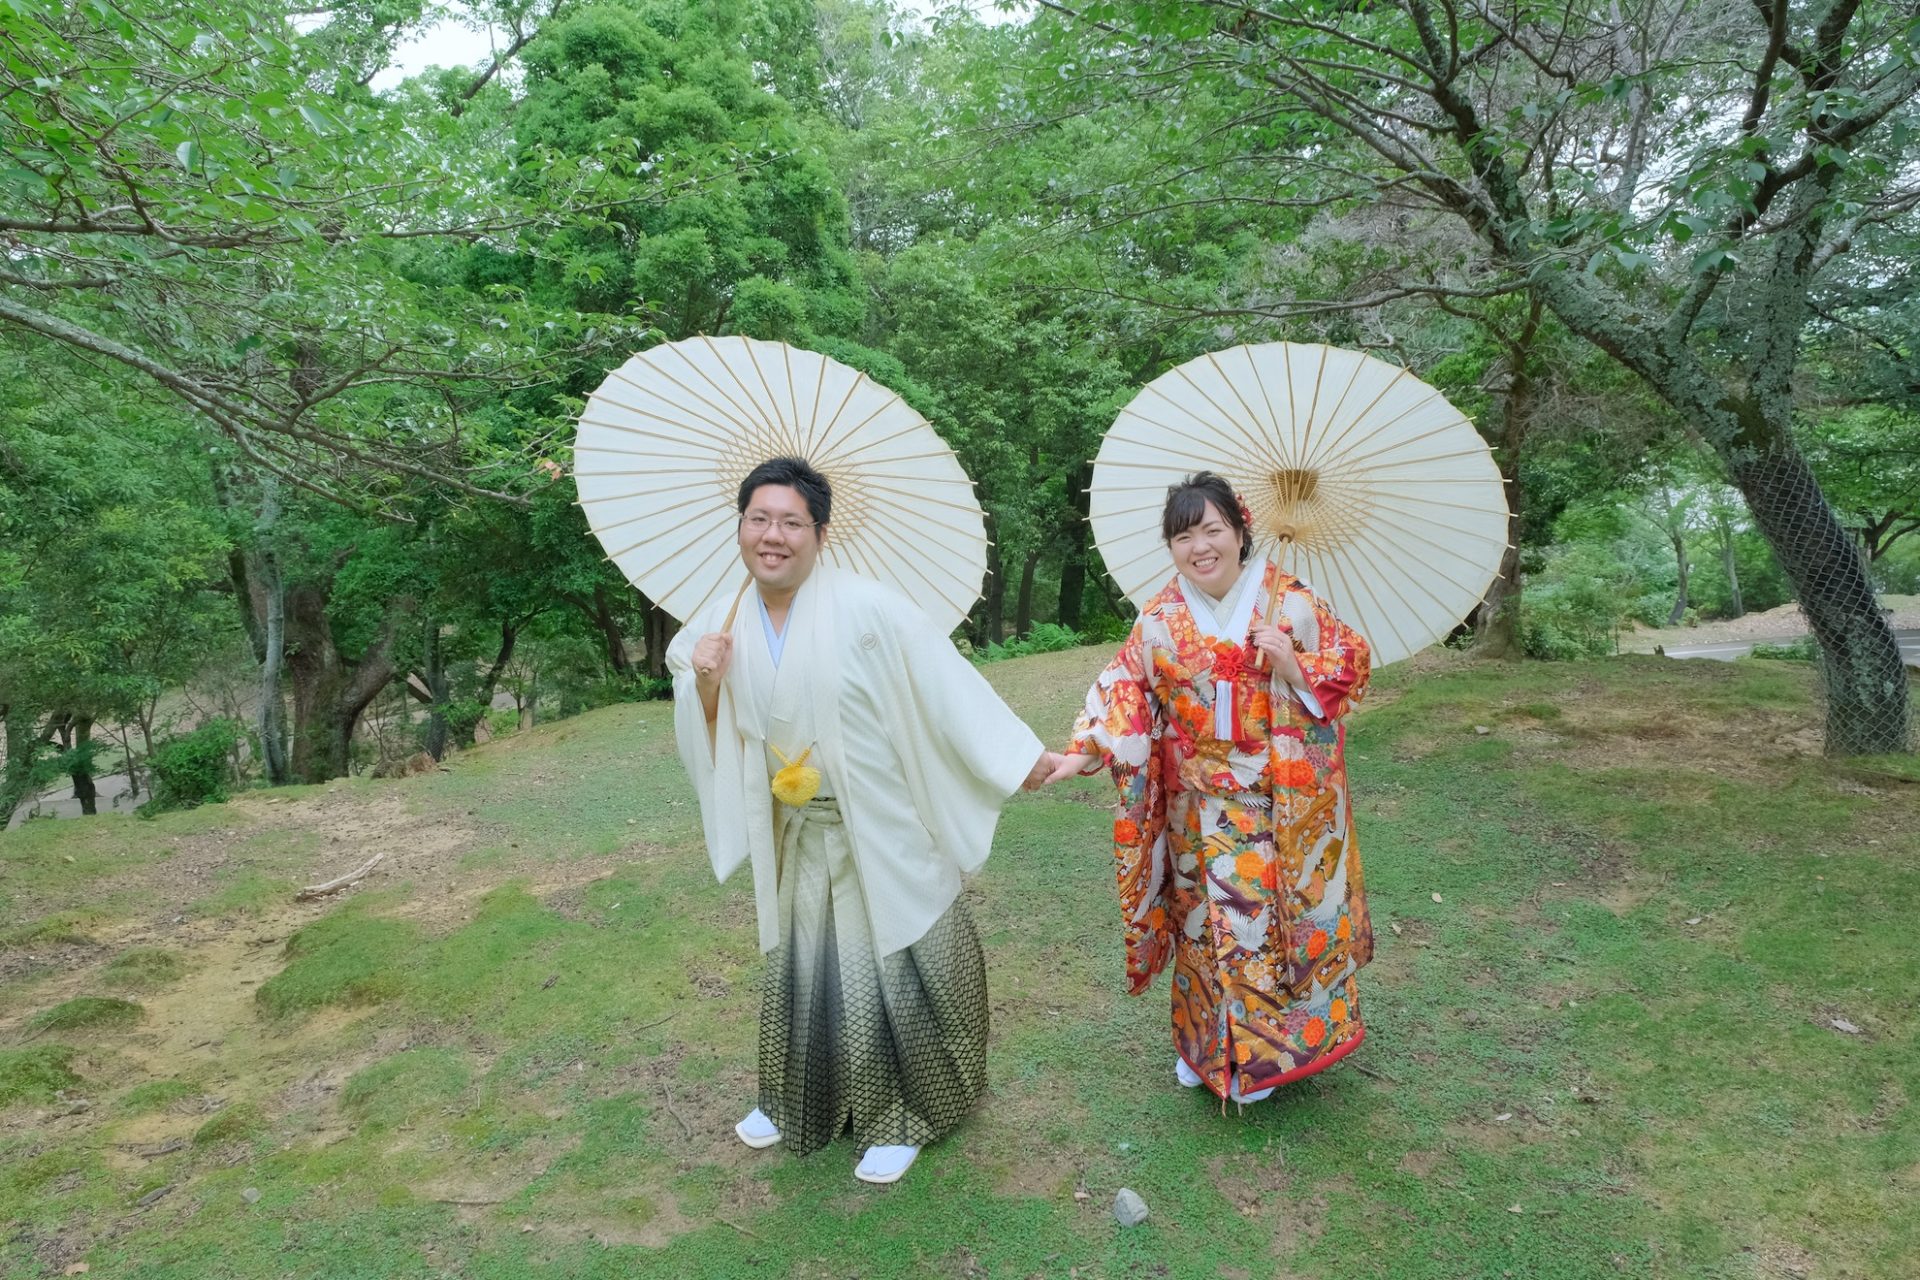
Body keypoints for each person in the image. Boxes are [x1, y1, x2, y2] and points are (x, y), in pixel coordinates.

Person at [667, 456, 1057, 1184]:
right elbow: (711, 734)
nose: (772, 535)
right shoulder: (714, 629)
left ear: (820, 532)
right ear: (741, 526)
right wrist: (706, 685)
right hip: (796, 832)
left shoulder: (872, 609)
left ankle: (905, 1112)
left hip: (880, 823)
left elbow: (945, 689)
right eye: (759, 519)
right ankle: (793, 1100)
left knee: (893, 970)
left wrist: (1021, 759)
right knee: (805, 967)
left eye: (790, 521)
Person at [1046, 471, 1373, 1104]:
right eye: (1183, 535)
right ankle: (1207, 1045)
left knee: (1261, 928)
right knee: (1202, 926)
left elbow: (1351, 664)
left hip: (1275, 803)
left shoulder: (1291, 602)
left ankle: (1266, 1058)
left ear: (1240, 531)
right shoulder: (1161, 618)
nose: (1200, 546)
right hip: (1192, 806)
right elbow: (1126, 689)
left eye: (1213, 530)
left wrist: (1294, 664)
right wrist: (1087, 746)